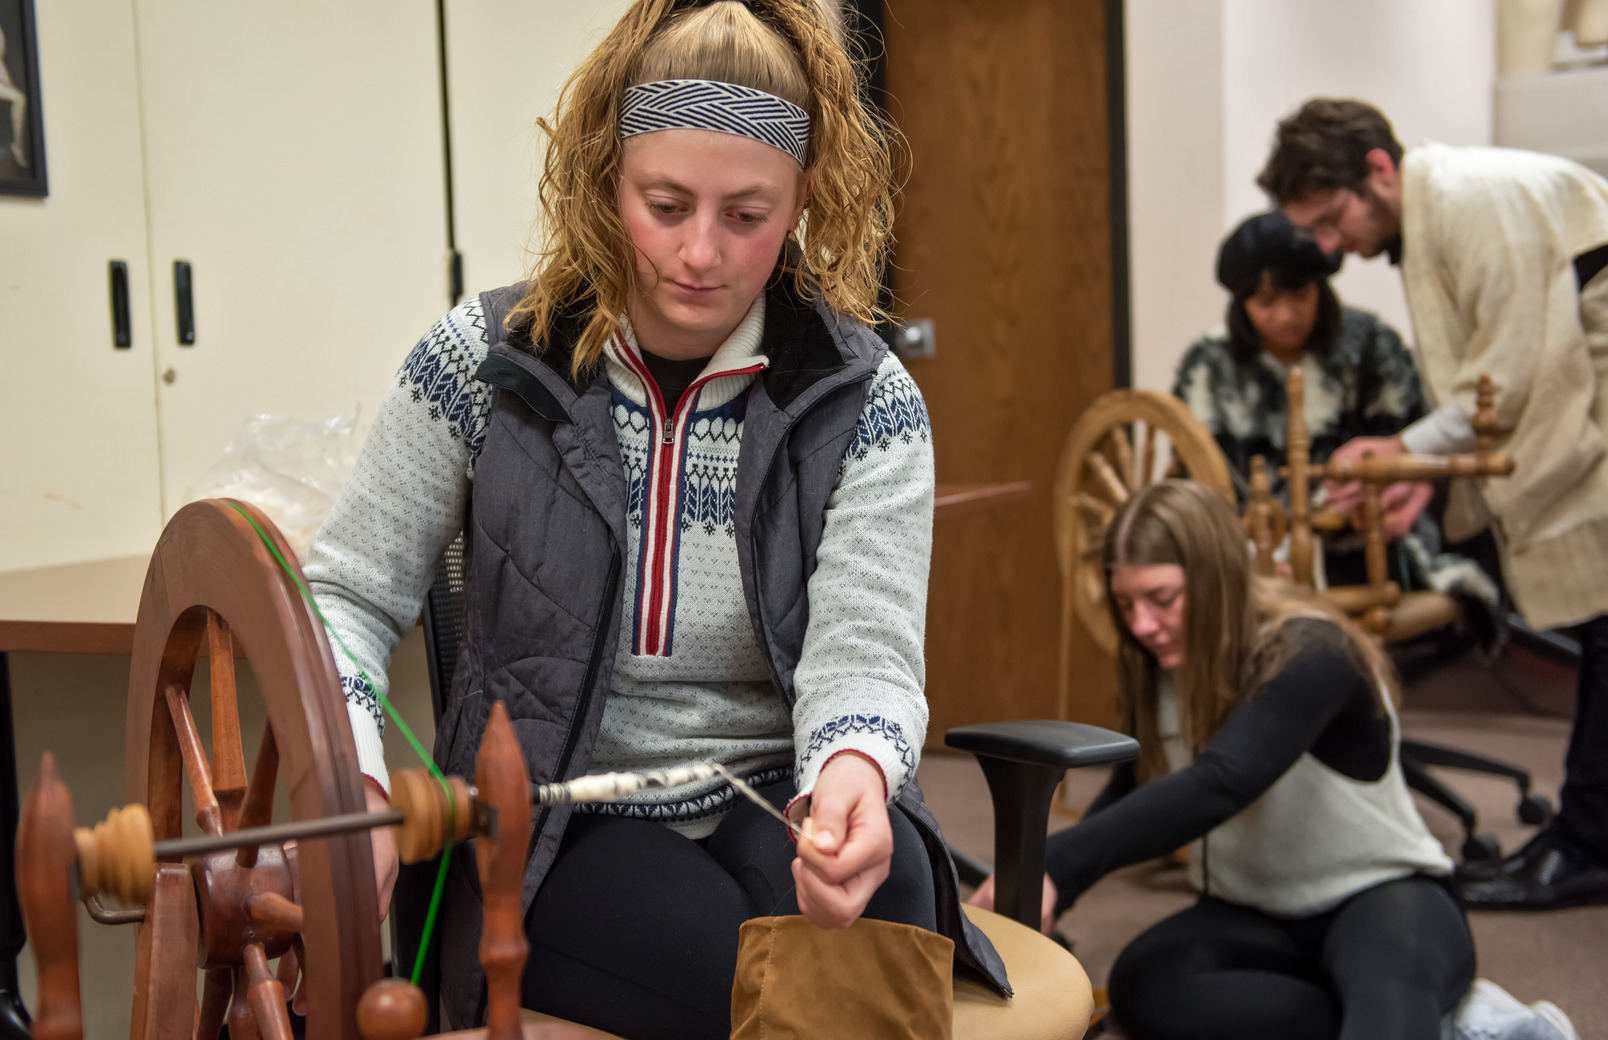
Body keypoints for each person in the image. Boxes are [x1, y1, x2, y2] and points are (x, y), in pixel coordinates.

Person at [303, 1, 1006, 1035]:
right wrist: (353, 770)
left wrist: (853, 772)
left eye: (748, 214)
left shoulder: (868, 401)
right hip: (558, 819)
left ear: (807, 197)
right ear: (606, 174)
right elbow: (346, 595)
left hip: (780, 789)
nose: (699, 252)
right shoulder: (481, 361)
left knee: (887, 908)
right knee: (745, 974)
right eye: (665, 203)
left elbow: (866, 656)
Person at [971, 481, 1574, 1040]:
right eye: (1127, 604)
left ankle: (1447, 1014)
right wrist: (1042, 890)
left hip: (1381, 897)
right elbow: (1134, 792)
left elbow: (1222, 782)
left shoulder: (1311, 651)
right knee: (1145, 985)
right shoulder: (1161, 663)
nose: (1142, 625)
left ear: (1218, 581)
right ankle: (1448, 1023)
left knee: (1386, 1003)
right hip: (1252, 913)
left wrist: (1058, 864)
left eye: (1161, 599)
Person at [1258, 98, 1608, 911]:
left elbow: (1512, 373)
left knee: (1604, 631)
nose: (1329, 246)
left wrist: (1404, 451)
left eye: (1331, 218)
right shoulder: (1443, 209)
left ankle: (1587, 842)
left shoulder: (1476, 199)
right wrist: (1420, 465)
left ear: (1378, 168)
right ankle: (1587, 833)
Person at [1174, 210, 1498, 629]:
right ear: (1241, 303)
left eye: (1299, 296)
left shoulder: (1369, 344)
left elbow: (1404, 454)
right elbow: (1199, 483)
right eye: (1265, 302)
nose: (1285, 316)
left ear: (1321, 290)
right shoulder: (1208, 366)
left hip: (1365, 543)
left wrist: (1360, 505)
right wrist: (1255, 554)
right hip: (1247, 553)